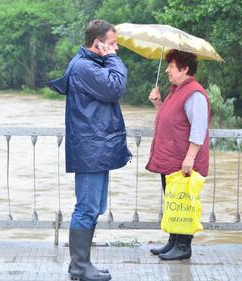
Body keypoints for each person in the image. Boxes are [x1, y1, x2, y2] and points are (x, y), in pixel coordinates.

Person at [48, 19, 131, 281]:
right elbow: (115, 88)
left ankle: (83, 264)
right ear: (98, 43)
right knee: (86, 207)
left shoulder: (89, 64)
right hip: (90, 149)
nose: (115, 49)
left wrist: (108, 59)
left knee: (93, 206)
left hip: (94, 148)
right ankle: (79, 267)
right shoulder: (85, 67)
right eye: (112, 44)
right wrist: (112, 60)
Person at [146, 49, 210, 260]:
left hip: (184, 161)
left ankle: (183, 247)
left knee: (183, 203)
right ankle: (173, 242)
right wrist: (158, 103)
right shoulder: (177, 90)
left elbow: (198, 129)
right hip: (172, 159)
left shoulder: (195, 93)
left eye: (171, 66)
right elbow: (173, 120)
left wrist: (190, 158)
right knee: (174, 201)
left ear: (184, 69)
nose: (167, 70)